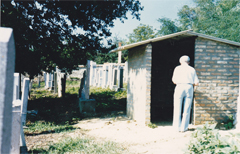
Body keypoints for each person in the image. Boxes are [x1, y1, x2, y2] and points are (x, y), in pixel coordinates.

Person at [172, 55, 199, 132]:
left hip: (179, 86)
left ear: (180, 61)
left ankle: (177, 127)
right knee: (187, 108)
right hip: (189, 86)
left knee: (177, 107)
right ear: (189, 62)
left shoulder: (177, 68)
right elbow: (196, 82)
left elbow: (174, 80)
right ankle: (184, 128)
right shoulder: (192, 69)